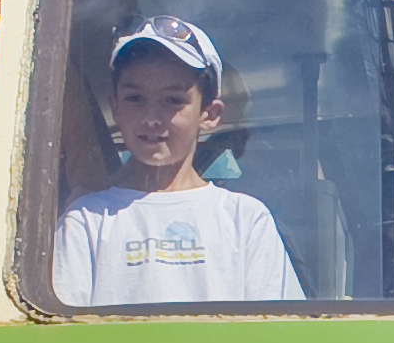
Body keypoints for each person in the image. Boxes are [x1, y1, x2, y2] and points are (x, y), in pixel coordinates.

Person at [49, 17, 304, 306]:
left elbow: (274, 333)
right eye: (135, 98)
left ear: (209, 113)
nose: (152, 118)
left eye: (173, 100)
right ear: (115, 106)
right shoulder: (86, 219)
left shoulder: (245, 220)